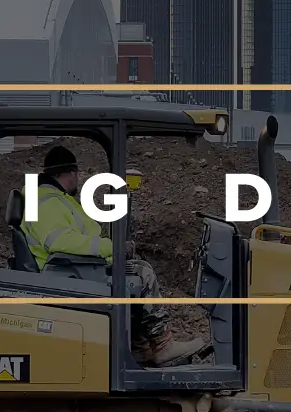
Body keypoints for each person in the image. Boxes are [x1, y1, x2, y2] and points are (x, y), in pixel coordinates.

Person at [21, 146, 207, 368]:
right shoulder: (47, 202)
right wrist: (113, 248)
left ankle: (141, 349)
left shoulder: (49, 198)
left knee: (132, 270)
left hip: (73, 269)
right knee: (142, 273)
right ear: (69, 173)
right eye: (77, 174)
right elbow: (60, 242)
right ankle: (162, 343)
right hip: (68, 274)